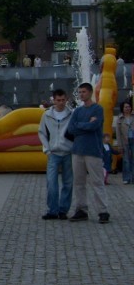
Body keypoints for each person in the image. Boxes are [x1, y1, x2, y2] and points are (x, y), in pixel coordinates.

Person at [66, 82, 110, 224]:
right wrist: (86, 125)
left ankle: (103, 211)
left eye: (84, 92)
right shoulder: (77, 111)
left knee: (97, 181)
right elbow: (71, 129)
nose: (81, 94)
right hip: (77, 151)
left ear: (90, 93)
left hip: (93, 151)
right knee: (79, 182)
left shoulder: (97, 109)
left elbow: (94, 126)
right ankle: (81, 209)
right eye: (79, 92)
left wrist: (81, 125)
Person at [37, 88, 74, 220]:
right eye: (58, 100)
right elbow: (41, 132)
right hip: (53, 152)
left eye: (63, 100)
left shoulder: (71, 114)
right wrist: (46, 149)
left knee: (68, 183)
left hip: (68, 152)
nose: (61, 103)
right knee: (51, 183)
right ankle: (52, 210)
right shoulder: (47, 115)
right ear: (53, 100)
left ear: (67, 99)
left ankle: (63, 210)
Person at [115, 100, 134, 184]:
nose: (127, 108)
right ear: (122, 108)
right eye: (125, 107)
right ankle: (126, 178)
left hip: (133, 140)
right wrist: (119, 145)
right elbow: (118, 133)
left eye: (129, 107)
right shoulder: (120, 119)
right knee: (126, 160)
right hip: (125, 141)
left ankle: (133, 178)